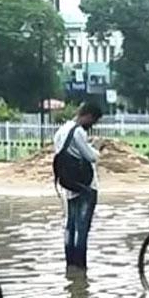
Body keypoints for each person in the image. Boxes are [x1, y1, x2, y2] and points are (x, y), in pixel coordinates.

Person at [53, 102, 103, 270]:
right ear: (87, 116)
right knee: (82, 229)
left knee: (70, 225)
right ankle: (81, 268)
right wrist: (97, 149)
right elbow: (91, 157)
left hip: (69, 184)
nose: (92, 125)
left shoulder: (61, 131)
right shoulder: (78, 132)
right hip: (85, 186)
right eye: (93, 121)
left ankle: (71, 267)